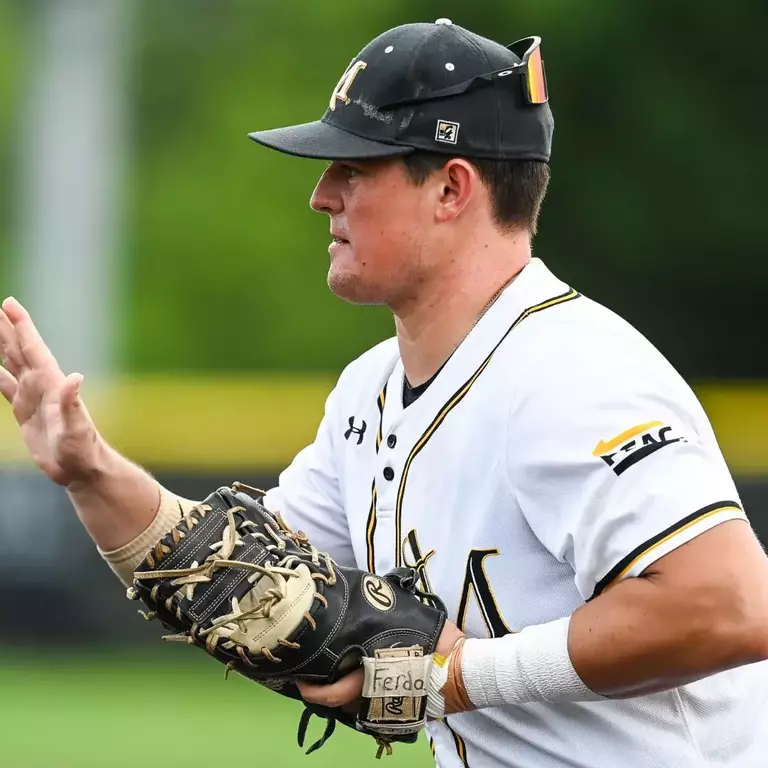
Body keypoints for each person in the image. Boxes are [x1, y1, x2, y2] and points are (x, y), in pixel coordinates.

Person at [2, 18, 768, 768]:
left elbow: (732, 605)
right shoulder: (368, 391)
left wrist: (454, 678)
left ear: (451, 189)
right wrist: (91, 470)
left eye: (355, 168)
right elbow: (234, 578)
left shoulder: (570, 373)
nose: (321, 195)